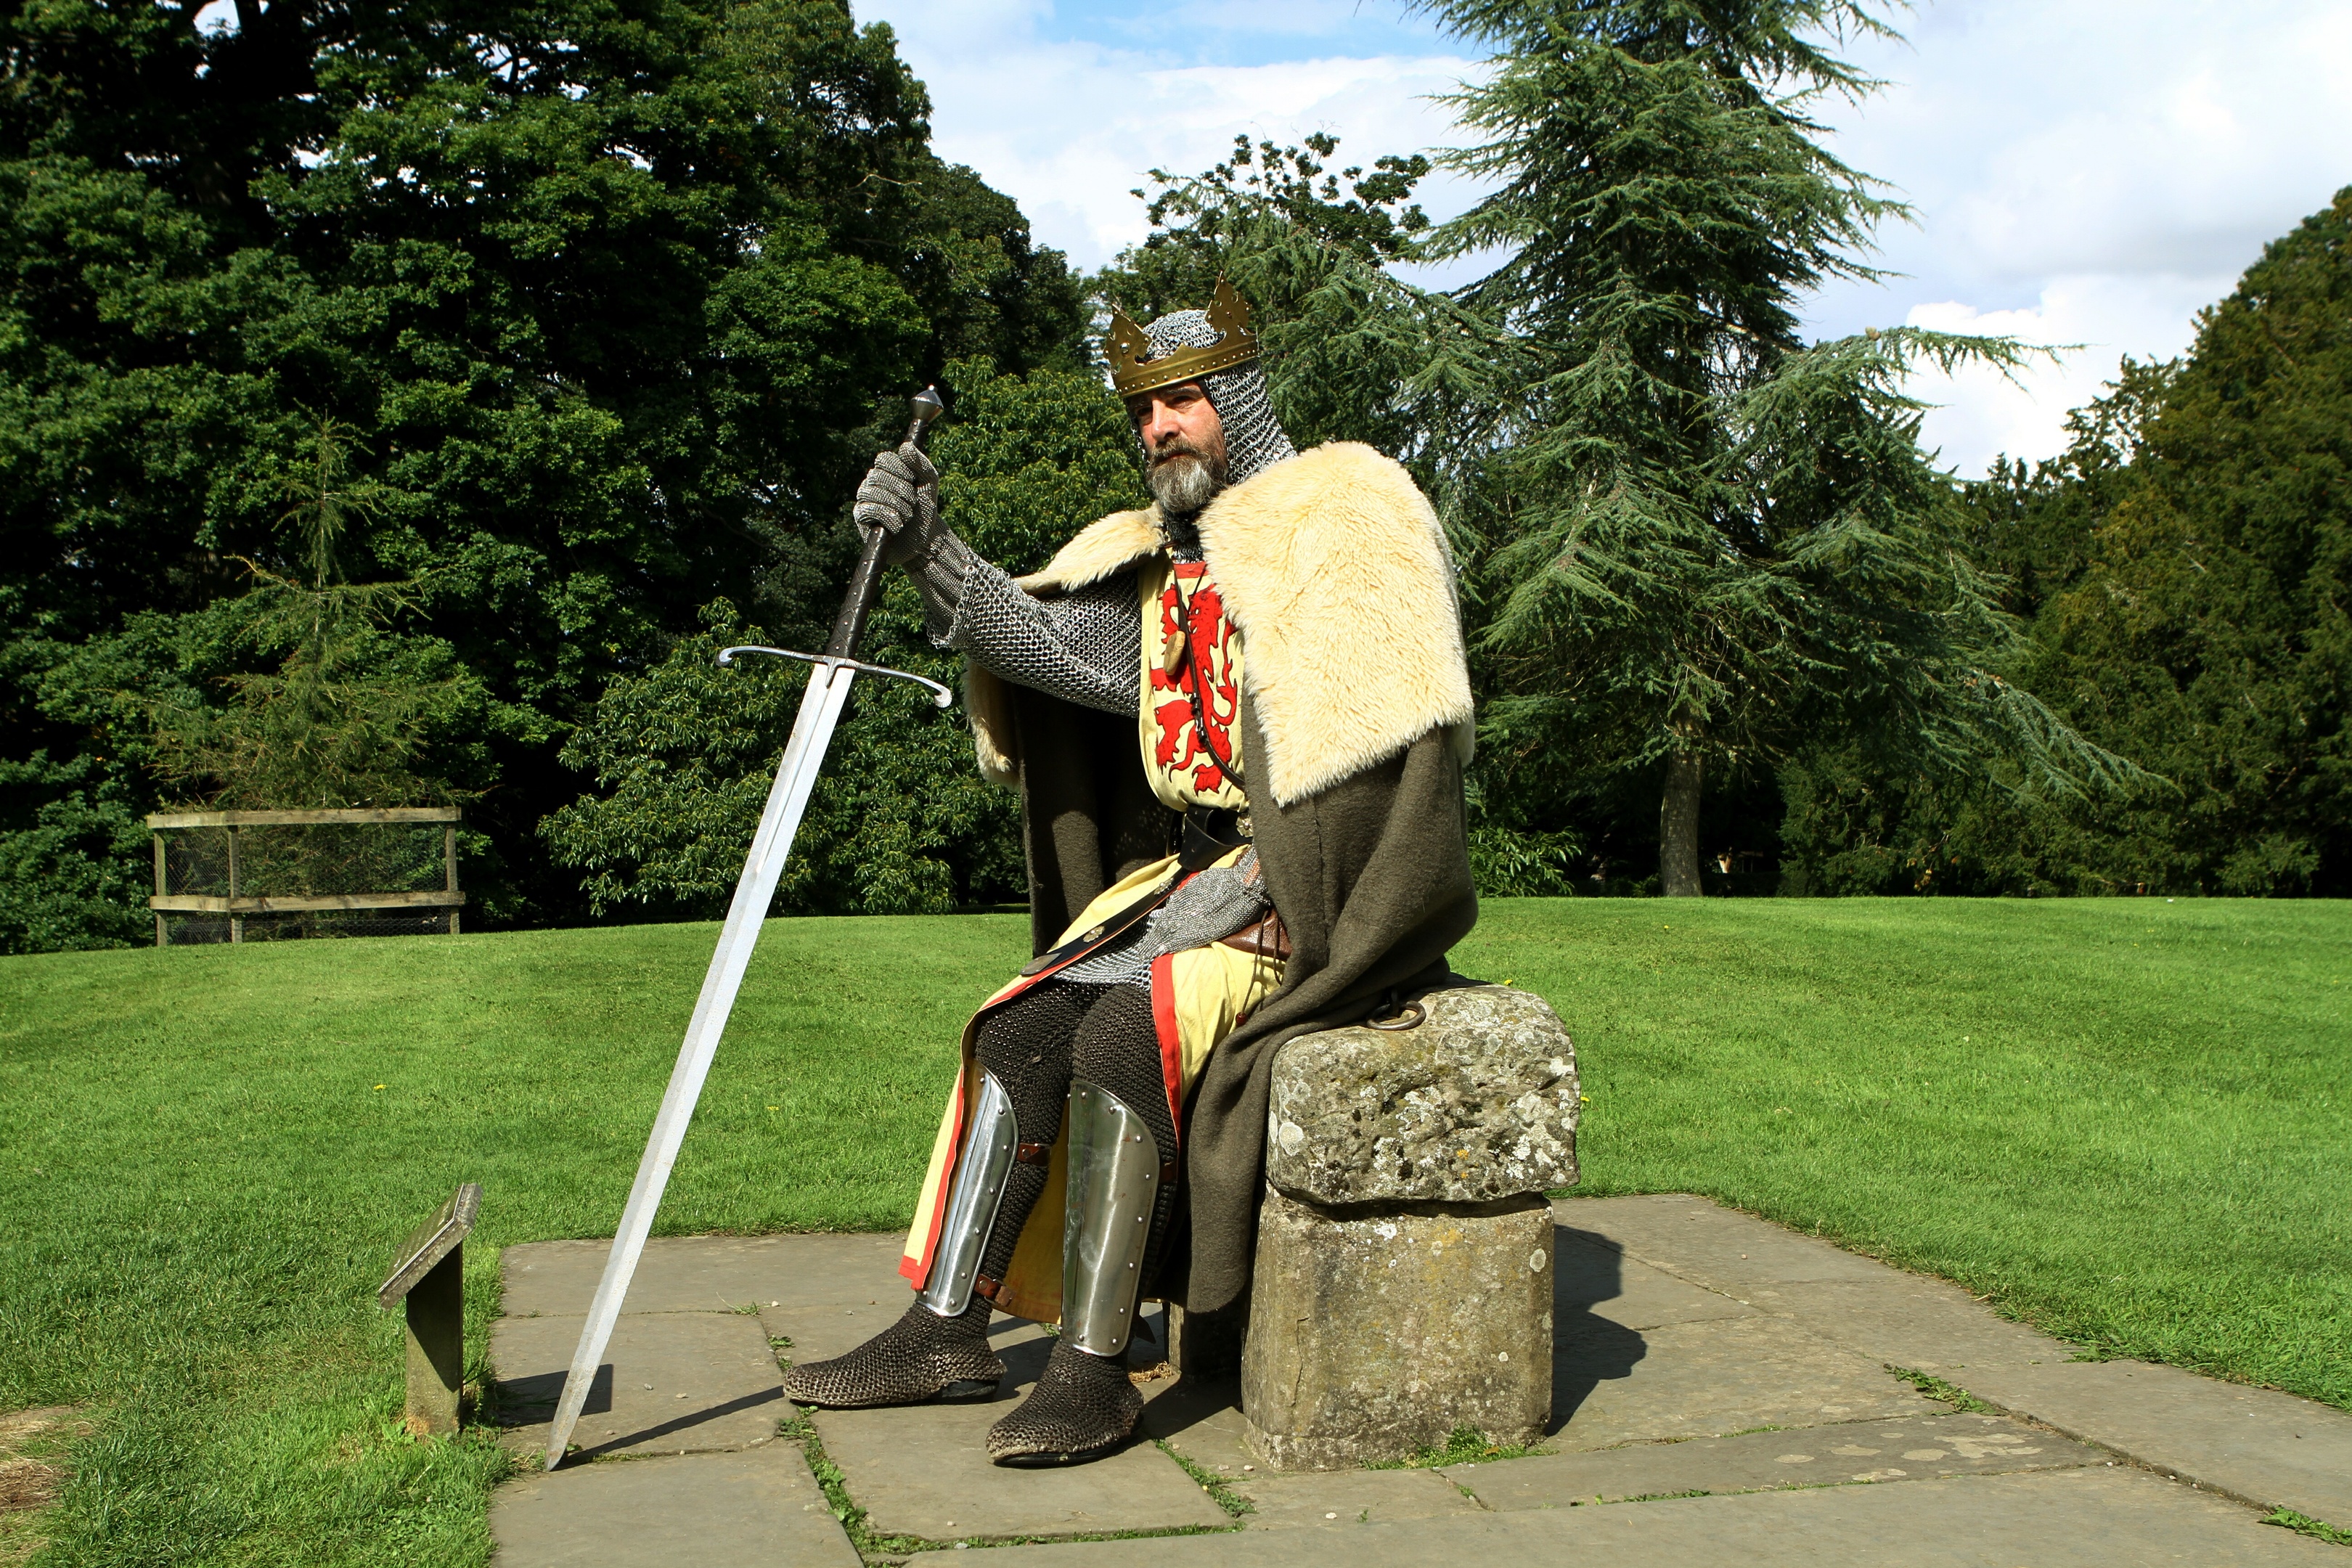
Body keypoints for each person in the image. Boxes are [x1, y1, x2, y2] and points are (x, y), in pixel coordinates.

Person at [782, 279, 1478, 1464]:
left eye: (1187, 400)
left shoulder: (1346, 523)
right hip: (1184, 879)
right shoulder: (1167, 560)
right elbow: (1061, 655)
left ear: (1240, 400)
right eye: (1146, 410)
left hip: (1307, 893)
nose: (1161, 428)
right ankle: (942, 1330)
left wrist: (1289, 887)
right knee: (1017, 1032)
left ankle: (1094, 1372)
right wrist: (931, 550)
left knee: (1122, 1040)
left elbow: (1386, 733)